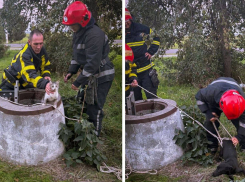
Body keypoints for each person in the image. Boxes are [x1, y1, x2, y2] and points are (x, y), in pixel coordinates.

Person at [62, 1, 115, 136]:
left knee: (94, 108)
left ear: (82, 22)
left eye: (72, 25)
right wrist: (71, 71)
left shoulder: (94, 35)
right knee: (82, 102)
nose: (71, 28)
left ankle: (93, 140)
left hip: (102, 75)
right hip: (90, 74)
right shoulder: (78, 32)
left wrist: (78, 81)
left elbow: (92, 63)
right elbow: (76, 56)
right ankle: (84, 132)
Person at [195, 77, 245, 153]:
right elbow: (198, 97)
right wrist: (208, 112)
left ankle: (243, 146)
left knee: (240, 123)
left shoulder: (242, 101)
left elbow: (244, 123)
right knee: (210, 122)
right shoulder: (210, 93)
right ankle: (212, 147)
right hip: (214, 101)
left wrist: (239, 137)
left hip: (229, 99)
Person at [0, 29, 52, 94]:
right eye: (35, 44)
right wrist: (45, 84)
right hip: (10, 84)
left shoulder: (42, 50)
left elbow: (45, 66)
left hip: (23, 83)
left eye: (41, 43)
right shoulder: (24, 55)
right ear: (29, 42)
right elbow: (30, 76)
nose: (39, 47)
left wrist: (46, 75)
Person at [125, 8, 160, 101]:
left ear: (130, 19)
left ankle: (154, 114)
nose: (125, 23)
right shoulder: (123, 33)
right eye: (123, 21)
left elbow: (156, 37)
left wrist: (151, 51)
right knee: (135, 101)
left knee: (152, 98)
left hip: (146, 70)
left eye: (127, 20)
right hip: (132, 72)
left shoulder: (141, 28)